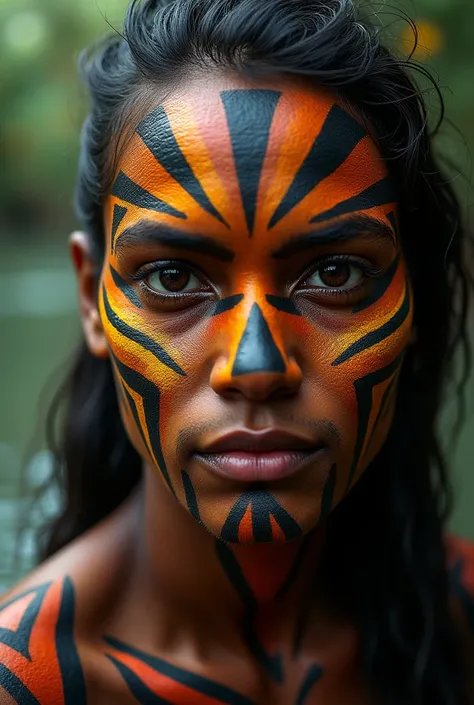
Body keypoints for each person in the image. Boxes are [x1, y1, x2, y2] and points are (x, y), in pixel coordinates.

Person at [1, 0, 474, 702]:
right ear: (90, 296)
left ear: (412, 298)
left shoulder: (460, 621)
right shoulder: (30, 681)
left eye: (335, 273)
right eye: (173, 277)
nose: (256, 367)